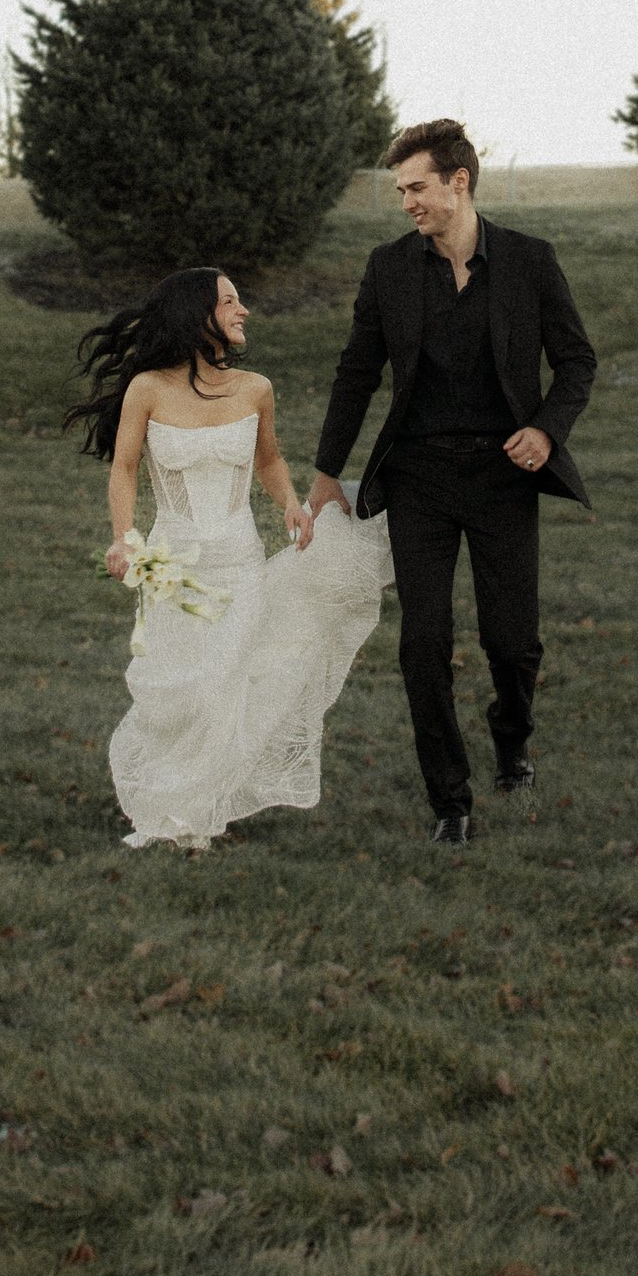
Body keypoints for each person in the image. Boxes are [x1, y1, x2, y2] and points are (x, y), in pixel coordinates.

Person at [308, 122, 596, 848]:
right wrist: (323, 470)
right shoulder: (389, 270)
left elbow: (576, 362)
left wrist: (545, 429)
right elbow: (356, 372)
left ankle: (512, 740)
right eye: (401, 190)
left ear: (458, 182)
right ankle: (450, 799)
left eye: (416, 187)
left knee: (513, 642)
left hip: (504, 475)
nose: (406, 201)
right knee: (423, 642)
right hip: (419, 480)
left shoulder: (530, 262)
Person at [71, 265, 389, 852]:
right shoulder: (147, 389)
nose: (243, 311)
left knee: (225, 681)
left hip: (240, 561)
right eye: (230, 301)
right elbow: (124, 468)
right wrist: (124, 537)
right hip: (174, 566)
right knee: (180, 687)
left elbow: (268, 460)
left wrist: (291, 504)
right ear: (199, 315)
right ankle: (169, 803)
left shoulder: (255, 388)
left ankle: (195, 815)